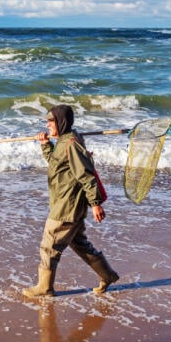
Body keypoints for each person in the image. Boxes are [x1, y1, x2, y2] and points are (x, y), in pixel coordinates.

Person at [22, 105, 119, 298]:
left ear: (61, 122)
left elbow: (86, 175)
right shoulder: (64, 141)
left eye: (51, 121)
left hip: (67, 206)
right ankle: (107, 275)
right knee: (80, 243)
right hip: (66, 203)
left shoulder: (71, 144)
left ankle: (45, 288)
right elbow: (56, 164)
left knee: (49, 246)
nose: (47, 124)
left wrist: (95, 203)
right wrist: (45, 144)